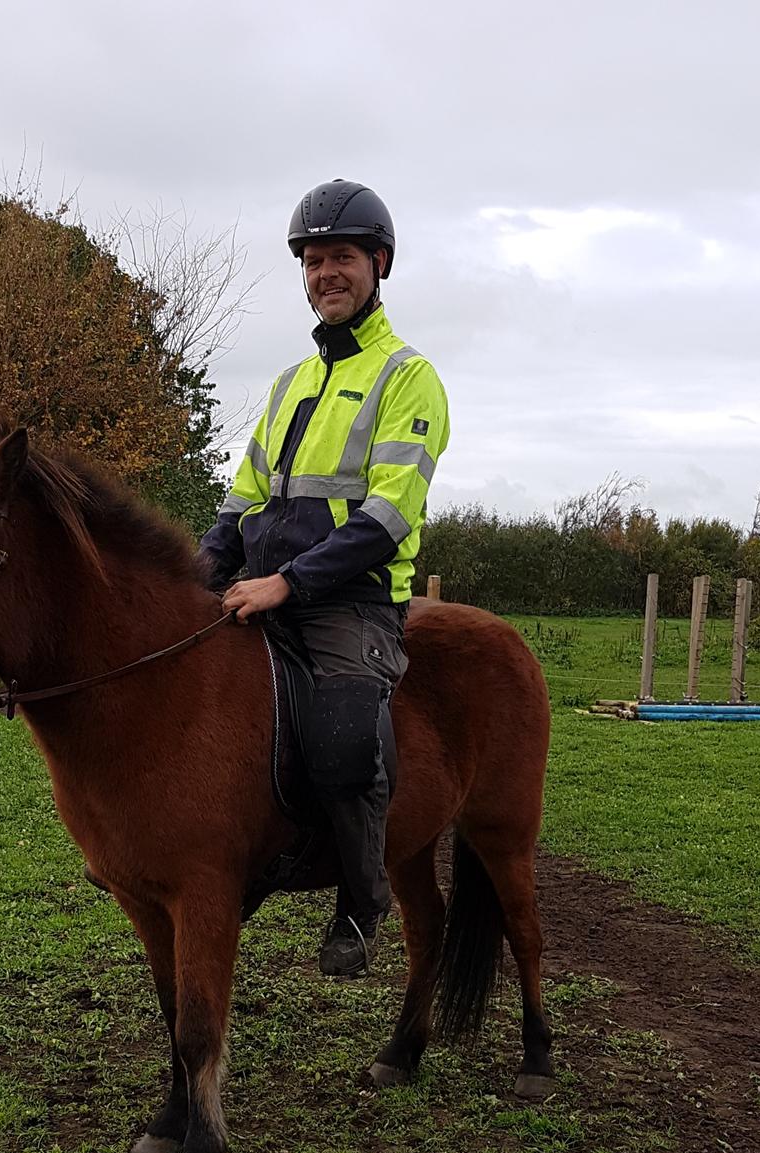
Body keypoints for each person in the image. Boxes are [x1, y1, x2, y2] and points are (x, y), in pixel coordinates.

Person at [199, 179, 450, 977]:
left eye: (341, 257)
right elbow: (241, 501)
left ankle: (360, 900)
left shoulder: (408, 378)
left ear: (378, 264)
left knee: (343, 737)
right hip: (265, 591)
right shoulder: (287, 386)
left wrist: (288, 585)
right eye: (312, 260)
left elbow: (386, 517)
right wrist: (196, 579)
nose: (324, 273)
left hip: (352, 604)